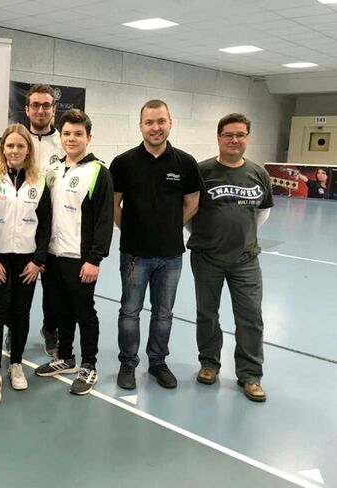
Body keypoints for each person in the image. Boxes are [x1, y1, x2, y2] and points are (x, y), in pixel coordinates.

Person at [110, 99, 202, 391]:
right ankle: (128, 362)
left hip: (171, 256)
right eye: (149, 122)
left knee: (164, 313)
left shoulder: (185, 162)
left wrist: (170, 227)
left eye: (161, 121)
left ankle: (158, 362)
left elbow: (192, 202)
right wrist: (131, 229)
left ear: (170, 123)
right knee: (130, 310)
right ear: (140, 126)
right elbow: (114, 204)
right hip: (134, 254)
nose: (155, 128)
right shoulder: (123, 163)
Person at [188, 113, 273, 402]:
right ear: (219, 137)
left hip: (246, 260)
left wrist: (242, 236)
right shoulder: (201, 171)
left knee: (251, 317)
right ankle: (209, 364)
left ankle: (250, 375)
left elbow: (262, 212)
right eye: (228, 135)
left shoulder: (258, 173)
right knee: (207, 314)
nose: (234, 140)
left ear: (247, 138)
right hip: (207, 257)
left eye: (240, 135)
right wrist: (210, 236)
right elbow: (189, 211)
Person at [34, 109, 114, 396]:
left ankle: (89, 364)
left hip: (80, 259)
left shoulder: (99, 172)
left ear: (88, 137)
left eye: (78, 134)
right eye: (66, 133)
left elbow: (104, 220)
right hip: (53, 256)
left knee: (84, 312)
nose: (71, 138)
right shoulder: (53, 169)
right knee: (60, 310)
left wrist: (94, 259)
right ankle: (65, 358)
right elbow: (44, 214)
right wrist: (41, 253)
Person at [0, 124, 51, 404]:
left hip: (26, 260)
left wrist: (38, 260)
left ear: (28, 150)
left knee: (21, 313)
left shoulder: (39, 181)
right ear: (3, 148)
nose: (15, 150)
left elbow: (45, 225)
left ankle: (16, 364)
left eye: (21, 145)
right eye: (10, 145)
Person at [22, 84, 65, 356]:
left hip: (53, 227)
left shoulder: (63, 142)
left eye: (46, 105)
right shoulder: (17, 138)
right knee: (19, 286)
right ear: (27, 109)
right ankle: (15, 330)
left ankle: (50, 329)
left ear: (53, 109)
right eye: (35, 105)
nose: (41, 110)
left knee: (53, 290)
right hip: (20, 225)